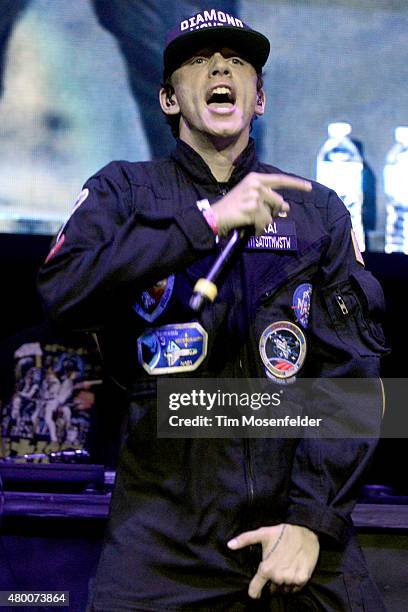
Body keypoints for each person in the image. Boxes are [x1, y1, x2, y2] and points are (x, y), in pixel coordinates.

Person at [38, 9, 388, 611]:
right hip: (163, 539)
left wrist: (312, 520)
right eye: (198, 60)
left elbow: (356, 379)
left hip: (298, 529)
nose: (221, 67)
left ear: (259, 100)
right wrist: (205, 223)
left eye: (239, 61)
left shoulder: (318, 211)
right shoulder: (123, 192)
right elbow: (62, 291)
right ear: (169, 99)